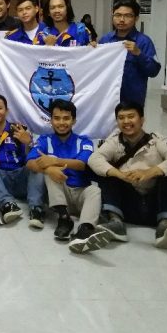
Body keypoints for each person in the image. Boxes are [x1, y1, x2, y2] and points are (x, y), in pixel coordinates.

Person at [89, 101, 167, 249]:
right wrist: (120, 174)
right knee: (107, 171)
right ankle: (115, 223)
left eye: (131, 116)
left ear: (142, 120)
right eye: (121, 118)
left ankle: (165, 226)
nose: (126, 121)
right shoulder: (114, 142)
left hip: (156, 207)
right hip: (127, 208)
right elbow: (94, 159)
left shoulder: (157, 140)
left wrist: (150, 172)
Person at [26, 99, 110, 253]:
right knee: (51, 172)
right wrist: (48, 169)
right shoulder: (44, 140)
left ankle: (84, 230)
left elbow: (82, 164)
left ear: (74, 120)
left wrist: (54, 161)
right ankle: (64, 219)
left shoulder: (84, 141)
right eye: (57, 118)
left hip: (80, 193)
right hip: (59, 194)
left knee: (94, 190)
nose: (61, 123)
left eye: (66, 118)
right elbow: (30, 163)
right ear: (51, 120)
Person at [0, 94, 46, 228]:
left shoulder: (19, 130)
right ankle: (8, 204)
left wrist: (28, 143)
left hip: (22, 178)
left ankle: (36, 209)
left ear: (6, 111)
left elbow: (30, 157)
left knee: (36, 164)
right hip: (1, 182)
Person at [98, 0, 161, 106]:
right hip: (107, 98)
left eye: (127, 16)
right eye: (118, 15)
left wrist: (139, 54)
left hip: (132, 100)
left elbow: (154, 71)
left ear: (136, 18)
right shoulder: (106, 39)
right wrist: (91, 50)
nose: (122, 19)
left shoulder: (144, 41)